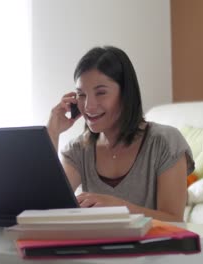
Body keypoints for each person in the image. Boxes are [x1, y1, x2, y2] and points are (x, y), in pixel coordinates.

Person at [47, 46, 194, 222]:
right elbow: (45, 208)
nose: (88, 106)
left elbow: (174, 220)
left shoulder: (165, 143)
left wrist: (119, 208)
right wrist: (52, 132)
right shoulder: (78, 150)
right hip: (96, 248)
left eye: (100, 93)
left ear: (126, 93)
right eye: (81, 95)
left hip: (154, 249)